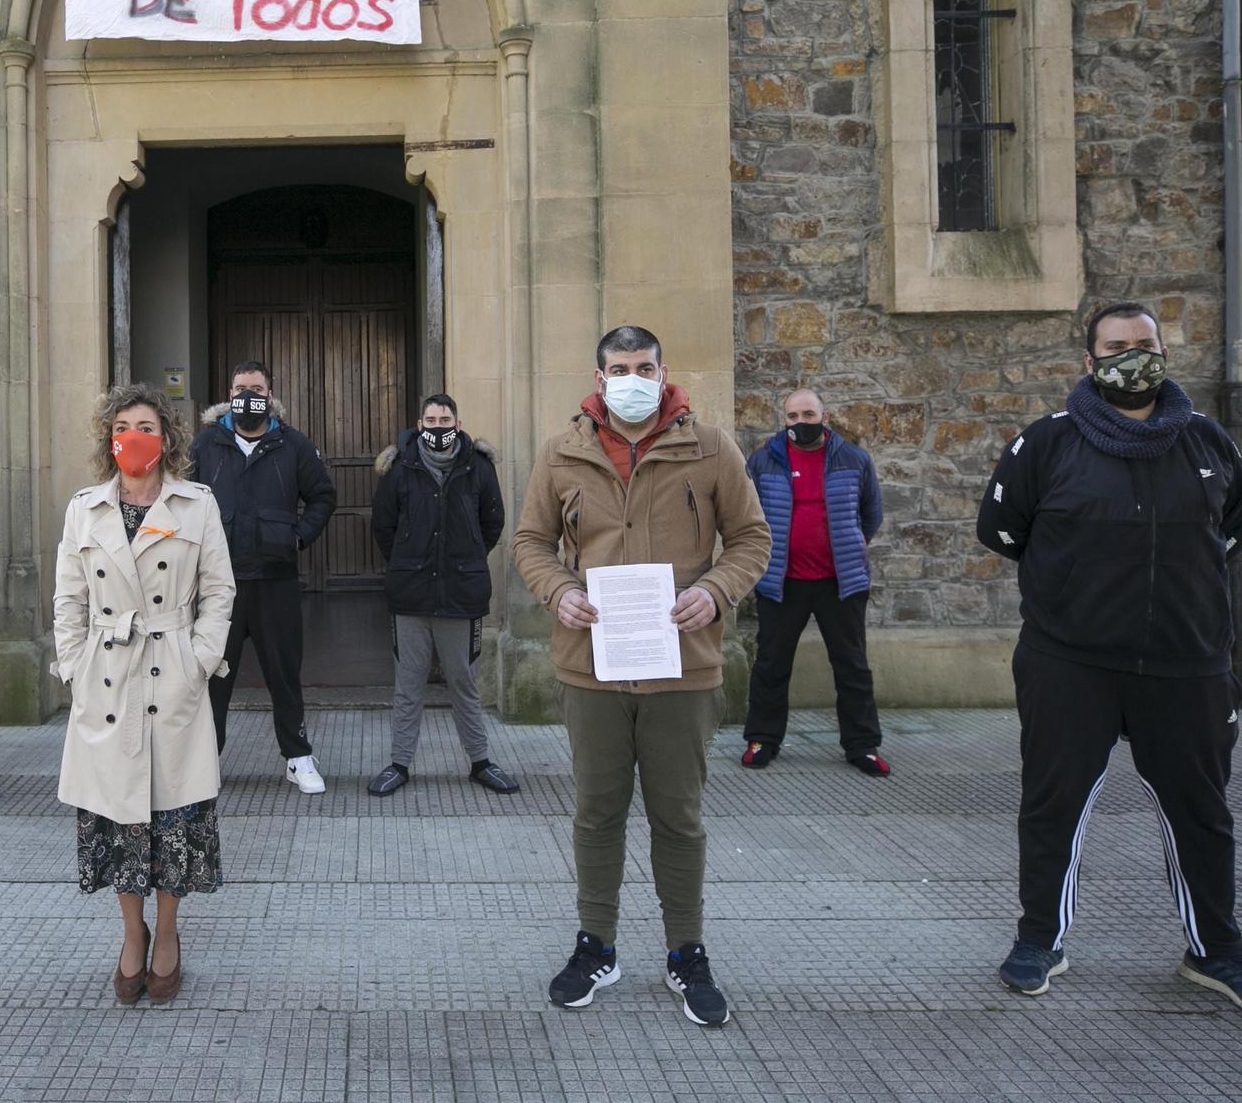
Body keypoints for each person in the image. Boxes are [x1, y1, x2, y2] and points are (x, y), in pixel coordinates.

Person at [978, 302, 1242, 1022]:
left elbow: (1234, 530)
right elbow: (1000, 528)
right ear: (1089, 362)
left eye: (1145, 344)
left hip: (1187, 667)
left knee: (1202, 813)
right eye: (1116, 346)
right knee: (1052, 805)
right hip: (1071, 662)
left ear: (1164, 352)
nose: (1133, 356)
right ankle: (1040, 940)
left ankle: (1217, 951)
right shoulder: (1047, 445)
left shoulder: (1210, 443)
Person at [513, 325, 769, 1025]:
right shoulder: (562, 452)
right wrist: (557, 588)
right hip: (592, 667)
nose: (633, 377)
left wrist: (715, 591)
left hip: (682, 669)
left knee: (677, 816)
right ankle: (596, 943)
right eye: (620, 367)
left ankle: (686, 951)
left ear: (663, 371)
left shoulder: (711, 447)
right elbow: (531, 539)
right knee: (597, 810)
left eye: (645, 366)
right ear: (599, 378)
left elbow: (751, 537)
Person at [54, 384, 235, 1005]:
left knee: (174, 818)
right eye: (126, 425)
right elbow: (69, 599)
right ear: (110, 436)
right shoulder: (85, 507)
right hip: (106, 681)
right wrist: (76, 668)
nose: (137, 436)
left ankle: (169, 936)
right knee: (119, 820)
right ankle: (132, 933)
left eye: (149, 426)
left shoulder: (197, 504)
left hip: (173, 675)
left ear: (168, 439)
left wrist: (199, 659)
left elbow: (219, 592)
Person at [192, 361, 336, 794]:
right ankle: (204, 763)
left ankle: (297, 757)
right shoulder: (206, 445)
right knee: (213, 677)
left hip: (275, 582)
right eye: (241, 388)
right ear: (229, 394)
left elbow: (322, 497)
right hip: (220, 585)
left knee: (284, 674)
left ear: (269, 395)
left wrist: (298, 537)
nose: (248, 395)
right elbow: (181, 498)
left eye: (256, 388)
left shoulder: (292, 445)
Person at [366, 393, 519, 797]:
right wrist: (407, 559)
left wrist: (465, 557)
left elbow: (493, 522)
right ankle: (399, 763)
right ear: (420, 425)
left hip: (461, 594)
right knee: (408, 685)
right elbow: (383, 526)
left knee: (464, 683)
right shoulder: (400, 469)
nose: (437, 426)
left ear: (458, 421)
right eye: (430, 420)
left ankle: (481, 761)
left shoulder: (478, 468)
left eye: (444, 418)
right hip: (411, 596)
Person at [740, 388, 889, 776]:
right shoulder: (763, 462)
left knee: (852, 666)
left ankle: (863, 746)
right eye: (793, 416)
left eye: (808, 415)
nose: (800, 423)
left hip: (840, 583)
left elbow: (870, 514)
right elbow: (748, 517)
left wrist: (849, 548)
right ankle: (762, 739)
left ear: (825, 417)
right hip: (782, 582)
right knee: (771, 664)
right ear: (784, 419)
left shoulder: (853, 459)